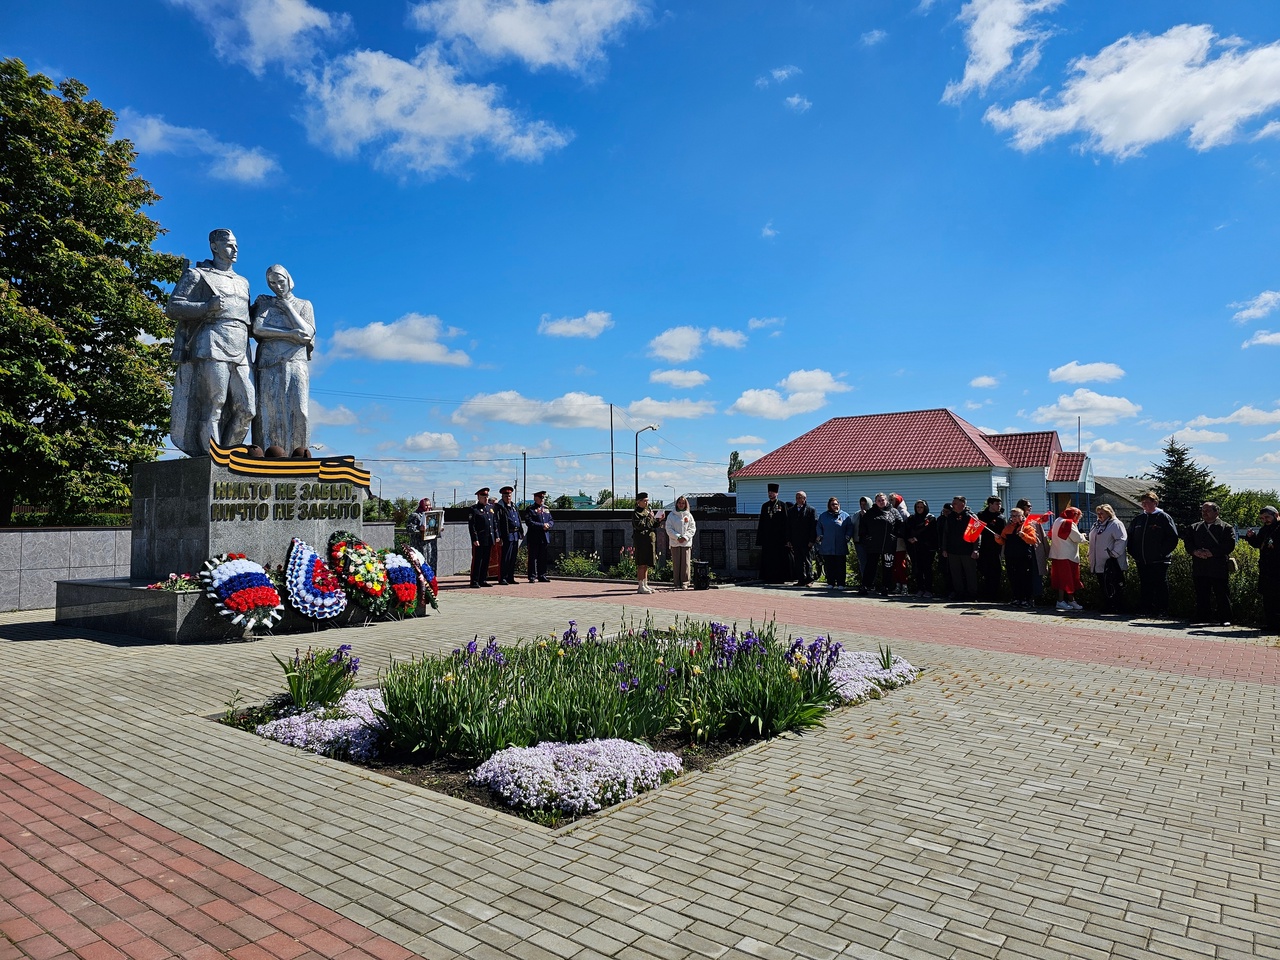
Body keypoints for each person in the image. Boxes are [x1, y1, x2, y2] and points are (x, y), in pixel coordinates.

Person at [166, 228, 255, 456]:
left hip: (241, 346)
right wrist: (205, 307)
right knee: (215, 403)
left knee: (247, 409)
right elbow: (173, 307)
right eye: (228, 245)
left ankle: (229, 454)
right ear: (214, 247)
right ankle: (212, 457)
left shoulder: (243, 281)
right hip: (212, 342)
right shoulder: (198, 275)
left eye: (236, 245)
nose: (235, 249)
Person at [250, 264, 313, 455]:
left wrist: (287, 308)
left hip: (296, 362)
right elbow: (258, 329)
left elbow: (307, 333)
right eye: (272, 283)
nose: (277, 286)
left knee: (299, 409)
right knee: (268, 410)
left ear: (289, 280)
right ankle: (269, 453)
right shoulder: (265, 304)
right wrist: (291, 335)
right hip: (269, 363)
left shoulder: (304, 305)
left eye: (280, 281)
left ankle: (299, 453)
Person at [1127, 490, 1180, 618]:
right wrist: (1134, 553)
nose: (1144, 505)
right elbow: (1131, 537)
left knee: (1160, 585)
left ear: (1155, 503)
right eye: (1142, 503)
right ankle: (1146, 608)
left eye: (1147, 502)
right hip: (1142, 560)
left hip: (1159, 561)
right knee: (1145, 585)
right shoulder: (1139, 519)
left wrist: (1161, 553)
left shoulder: (1163, 518)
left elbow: (1172, 538)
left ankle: (1162, 610)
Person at [1184, 501, 1237, 626]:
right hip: (1200, 566)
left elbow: (1229, 545)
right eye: (1203, 511)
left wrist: (1212, 552)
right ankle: (1202, 616)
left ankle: (1225, 618)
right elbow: (1188, 543)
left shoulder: (1226, 527)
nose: (1204, 513)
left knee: (1221, 594)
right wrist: (1194, 551)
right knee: (1201, 593)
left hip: (1218, 566)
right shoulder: (1194, 527)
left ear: (1216, 512)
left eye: (1207, 511)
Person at [1243, 505, 1280, 633]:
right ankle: (1272, 625)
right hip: (1267, 570)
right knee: (1268, 599)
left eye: (1267, 517)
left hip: (1278, 570)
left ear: (1276, 515)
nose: (1265, 520)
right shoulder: (1265, 529)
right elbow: (1259, 544)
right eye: (1262, 518)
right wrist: (1251, 537)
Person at [1087, 504, 1128, 615]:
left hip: (1111, 562)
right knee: (1103, 585)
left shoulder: (1116, 524)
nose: (1099, 515)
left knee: (1113, 585)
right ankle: (1107, 605)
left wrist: (1114, 553)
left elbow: (1122, 539)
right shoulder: (1096, 525)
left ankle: (1117, 607)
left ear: (1109, 513)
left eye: (1102, 513)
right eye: (1098, 513)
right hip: (1098, 562)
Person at [940, 495, 979, 602]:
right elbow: (946, 533)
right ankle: (959, 593)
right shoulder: (950, 516)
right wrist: (944, 548)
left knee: (970, 574)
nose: (953, 505)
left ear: (963, 504)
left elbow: (976, 535)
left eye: (955, 503)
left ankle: (972, 595)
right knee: (955, 574)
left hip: (967, 551)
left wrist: (976, 549)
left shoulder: (971, 516)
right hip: (953, 550)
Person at [860, 493, 898, 597]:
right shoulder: (870, 513)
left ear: (887, 500)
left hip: (888, 545)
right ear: (875, 502)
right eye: (879, 500)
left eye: (883, 500)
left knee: (888, 567)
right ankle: (865, 586)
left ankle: (886, 587)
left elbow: (900, 525)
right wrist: (866, 538)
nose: (881, 502)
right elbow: (863, 527)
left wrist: (894, 536)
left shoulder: (894, 511)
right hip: (873, 545)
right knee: (870, 566)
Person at [999, 507, 1038, 608]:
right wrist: (998, 539)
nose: (1014, 518)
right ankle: (1017, 597)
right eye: (1012, 516)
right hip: (1011, 556)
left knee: (1025, 578)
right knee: (1013, 577)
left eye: (1017, 516)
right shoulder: (1008, 528)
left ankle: (1027, 599)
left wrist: (1024, 535)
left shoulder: (1028, 527)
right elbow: (1003, 541)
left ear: (1022, 516)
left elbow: (1033, 541)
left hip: (1024, 556)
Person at [1049, 507, 1085, 611]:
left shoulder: (1057, 520)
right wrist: (1083, 536)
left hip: (1057, 555)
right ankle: (1062, 601)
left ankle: (1069, 600)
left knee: (1062, 579)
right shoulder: (1068, 523)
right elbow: (1077, 538)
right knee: (1067, 580)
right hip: (1067, 556)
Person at [814, 497, 854, 589]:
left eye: (836, 504)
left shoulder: (845, 516)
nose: (834, 506)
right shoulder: (823, 516)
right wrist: (820, 536)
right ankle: (830, 583)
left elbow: (850, 527)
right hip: (827, 545)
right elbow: (819, 527)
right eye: (832, 504)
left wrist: (847, 537)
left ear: (839, 505)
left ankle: (841, 583)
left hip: (840, 545)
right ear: (829, 505)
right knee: (829, 565)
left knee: (841, 565)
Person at [756, 483, 791, 583]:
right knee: (768, 558)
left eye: (772, 492)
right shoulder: (765, 506)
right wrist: (760, 538)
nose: (770, 494)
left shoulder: (782, 505)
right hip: (768, 538)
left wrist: (787, 538)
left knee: (779, 559)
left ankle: (780, 577)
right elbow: (761, 523)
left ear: (777, 493)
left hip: (779, 538)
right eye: (769, 492)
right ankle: (767, 577)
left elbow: (786, 522)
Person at [1015, 498, 1048, 600]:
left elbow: (1043, 537)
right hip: (1020, 553)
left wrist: (1048, 552)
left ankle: (1037, 596)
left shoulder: (1034, 521)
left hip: (1035, 551)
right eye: (1028, 506)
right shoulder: (1013, 521)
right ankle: (1024, 597)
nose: (1030, 508)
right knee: (1023, 576)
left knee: (1036, 574)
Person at [902, 499, 937, 598]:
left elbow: (932, 534)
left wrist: (918, 538)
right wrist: (909, 538)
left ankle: (929, 590)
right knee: (917, 569)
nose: (919, 509)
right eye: (918, 507)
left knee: (927, 569)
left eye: (921, 507)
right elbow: (905, 530)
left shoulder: (930, 519)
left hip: (927, 549)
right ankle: (920, 589)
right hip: (914, 548)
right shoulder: (912, 518)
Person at [976, 496, 1006, 602]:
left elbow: (1004, 535)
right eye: (997, 504)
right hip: (983, 549)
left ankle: (994, 596)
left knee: (995, 573)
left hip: (995, 550)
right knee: (984, 571)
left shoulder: (1001, 518)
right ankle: (984, 594)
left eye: (1000, 504)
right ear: (990, 504)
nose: (999, 506)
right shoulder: (981, 516)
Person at [633, 492, 663, 594]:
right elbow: (640, 525)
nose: (647, 502)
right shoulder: (636, 512)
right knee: (641, 563)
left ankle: (645, 584)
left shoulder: (647, 511)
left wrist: (658, 520)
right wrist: (649, 517)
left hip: (649, 540)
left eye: (647, 500)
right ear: (639, 502)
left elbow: (652, 524)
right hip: (641, 540)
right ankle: (640, 585)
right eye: (644, 501)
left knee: (646, 563)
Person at [467, 487, 498, 588]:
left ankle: (483, 579)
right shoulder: (474, 509)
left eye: (487, 496)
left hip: (489, 538)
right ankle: (474, 581)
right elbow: (472, 526)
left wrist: (496, 535)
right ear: (478, 497)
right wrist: (475, 539)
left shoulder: (490, 508)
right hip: (480, 539)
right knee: (478, 560)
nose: (485, 498)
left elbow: (494, 523)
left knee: (486, 560)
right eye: (483, 496)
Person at [665, 495, 697, 589]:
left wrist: (685, 537)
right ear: (676, 504)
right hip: (675, 542)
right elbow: (669, 528)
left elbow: (692, 528)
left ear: (685, 504)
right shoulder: (672, 515)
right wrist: (677, 537)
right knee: (676, 563)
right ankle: (676, 582)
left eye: (683, 503)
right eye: (679, 503)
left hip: (685, 543)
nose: (681, 505)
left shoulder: (689, 515)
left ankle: (685, 582)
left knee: (685, 563)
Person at [786, 491, 818, 585]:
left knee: (807, 560)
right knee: (798, 561)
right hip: (796, 540)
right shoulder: (791, 510)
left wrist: (812, 540)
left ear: (804, 499)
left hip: (807, 540)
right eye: (797, 498)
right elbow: (788, 526)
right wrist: (788, 540)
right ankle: (801, 579)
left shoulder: (811, 510)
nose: (798, 499)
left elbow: (813, 526)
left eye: (800, 497)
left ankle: (809, 579)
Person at [523, 491, 554, 582]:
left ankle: (542, 575)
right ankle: (532, 576)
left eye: (543, 498)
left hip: (544, 537)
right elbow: (529, 522)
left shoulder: (546, 509)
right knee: (533, 558)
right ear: (535, 498)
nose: (542, 500)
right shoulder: (530, 509)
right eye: (540, 498)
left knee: (543, 557)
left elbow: (551, 520)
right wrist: (542, 525)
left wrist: (549, 525)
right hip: (534, 537)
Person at [495, 486, 523, 585]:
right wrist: (499, 536)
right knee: (505, 558)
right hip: (506, 535)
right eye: (506, 496)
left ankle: (510, 577)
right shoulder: (499, 507)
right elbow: (497, 523)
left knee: (513, 558)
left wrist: (520, 532)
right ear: (502, 496)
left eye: (509, 495)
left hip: (515, 534)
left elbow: (518, 519)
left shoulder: (514, 506)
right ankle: (503, 578)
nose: (508, 497)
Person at [405, 497, 438, 573]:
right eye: (426, 505)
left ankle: (431, 581)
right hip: (419, 545)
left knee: (430, 565)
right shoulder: (415, 515)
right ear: (421, 506)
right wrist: (419, 528)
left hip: (430, 545)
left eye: (429, 505)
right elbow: (409, 528)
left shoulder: (433, 515)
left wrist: (439, 528)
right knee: (420, 564)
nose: (428, 507)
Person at [889, 494, 911, 595]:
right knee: (893, 565)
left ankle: (904, 585)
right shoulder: (889, 511)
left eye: (892, 500)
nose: (890, 502)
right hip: (891, 542)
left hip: (900, 542)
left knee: (900, 564)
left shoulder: (904, 513)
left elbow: (907, 529)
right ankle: (897, 584)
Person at [850, 496, 871, 588]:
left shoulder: (872, 514)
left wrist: (866, 516)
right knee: (862, 562)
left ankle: (871, 582)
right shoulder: (856, 514)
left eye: (865, 504)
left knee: (870, 563)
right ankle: (864, 582)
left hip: (870, 543)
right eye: (861, 504)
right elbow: (852, 526)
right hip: (858, 542)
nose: (863, 506)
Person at [935, 502, 954, 599]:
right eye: (944, 511)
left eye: (948, 511)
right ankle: (947, 590)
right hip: (942, 548)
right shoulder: (940, 519)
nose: (946, 513)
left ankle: (953, 590)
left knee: (952, 571)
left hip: (952, 548)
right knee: (944, 570)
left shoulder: (953, 519)